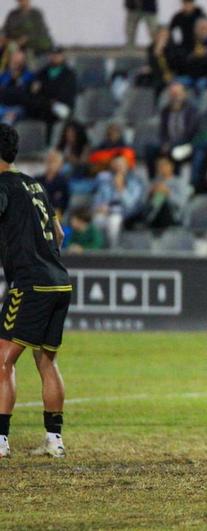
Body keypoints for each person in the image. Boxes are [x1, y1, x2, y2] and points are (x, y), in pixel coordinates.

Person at [0, 123, 71, 459]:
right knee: (45, 360)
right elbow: (58, 232)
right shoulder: (35, 185)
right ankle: (54, 440)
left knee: (2, 361)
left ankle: (0, 440)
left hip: (30, 283)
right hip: (59, 280)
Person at [144, 155, 192, 230]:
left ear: (171, 166)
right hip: (156, 219)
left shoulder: (179, 182)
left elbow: (183, 203)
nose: (162, 167)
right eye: (159, 165)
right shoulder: (155, 183)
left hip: (174, 219)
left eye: (164, 164)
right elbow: (153, 205)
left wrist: (168, 193)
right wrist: (150, 195)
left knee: (165, 206)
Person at [35, 149, 69, 218]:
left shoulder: (63, 181)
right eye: (49, 161)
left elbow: (65, 202)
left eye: (54, 161)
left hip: (55, 214)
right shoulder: (37, 179)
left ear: (60, 164)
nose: (51, 164)